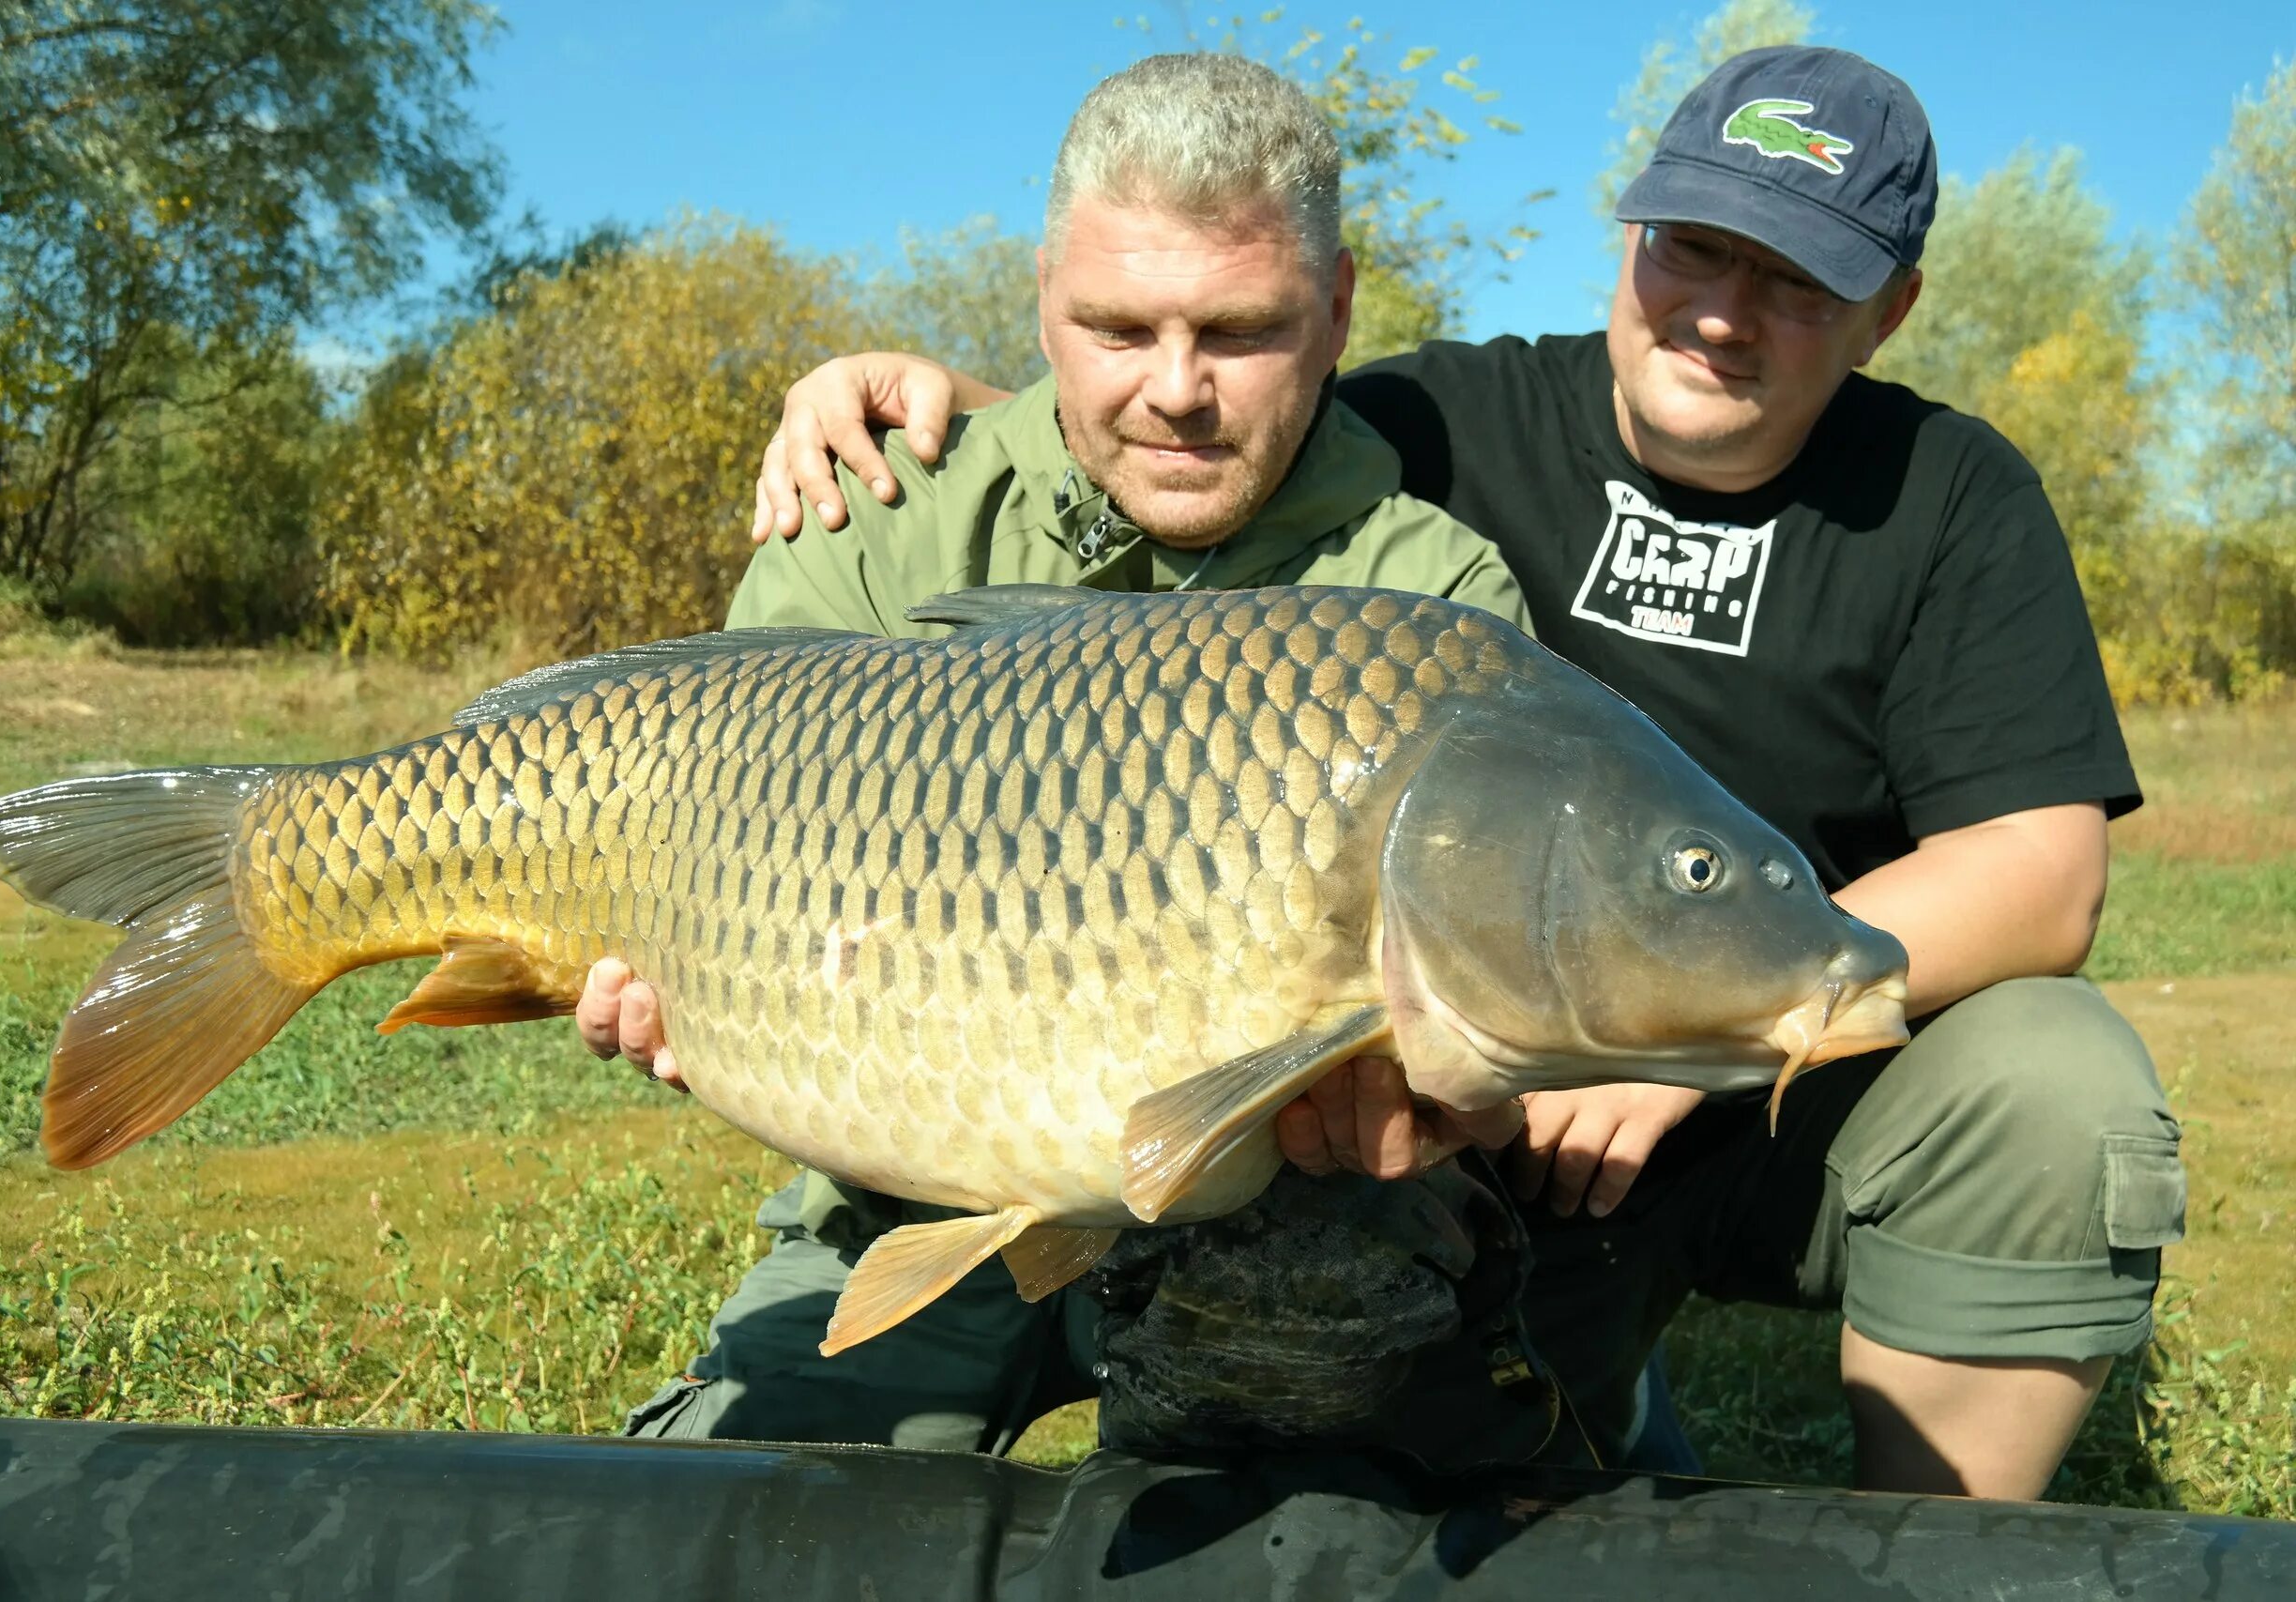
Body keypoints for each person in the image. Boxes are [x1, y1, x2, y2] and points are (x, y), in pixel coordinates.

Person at [624, 44, 2187, 1501]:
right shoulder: (1447, 413)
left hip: (1715, 1055)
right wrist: (927, 401)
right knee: (769, 1498)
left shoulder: (1943, 494)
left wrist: (1679, 1043)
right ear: (1630, 235)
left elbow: (2045, 873)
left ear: (1889, 308)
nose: (1722, 310)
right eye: (1696, 249)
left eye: (1795, 279)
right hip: (1500, 1084)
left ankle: (1930, 1560)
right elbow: (1176, 409)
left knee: (2054, 1086)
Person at [589, 51, 1534, 1456]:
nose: (1176, 391)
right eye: (1115, 326)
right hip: (901, 1193)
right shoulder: (878, 511)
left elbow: (1497, 1025)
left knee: (1284, 1512)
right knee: (763, 1516)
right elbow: (710, 831)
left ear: (1336, 312)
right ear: (1045, 299)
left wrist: (1465, 1104)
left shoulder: (1432, 603)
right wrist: (700, 988)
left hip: (1286, 1216)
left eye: (1241, 331)